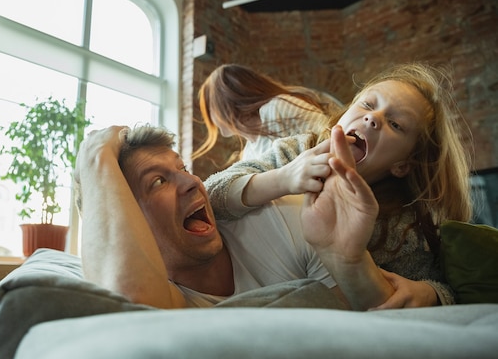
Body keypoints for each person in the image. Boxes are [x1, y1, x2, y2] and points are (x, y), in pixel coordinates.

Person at [204, 62, 473, 308]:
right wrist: (283, 177)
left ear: (402, 165)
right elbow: (212, 194)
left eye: (395, 124)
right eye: (367, 105)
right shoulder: (296, 150)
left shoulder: (401, 224)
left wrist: (430, 293)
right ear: (342, 117)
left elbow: (436, 287)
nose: (372, 118)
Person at [74, 124, 395, 311]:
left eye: (182, 169)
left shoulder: (282, 217)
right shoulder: (165, 295)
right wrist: (94, 156)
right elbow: (131, 307)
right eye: (158, 182)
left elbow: (366, 321)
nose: (192, 183)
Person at [193, 64, 342, 163]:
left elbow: (330, 137)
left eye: (211, 109)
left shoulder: (275, 108)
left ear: (226, 105)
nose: (211, 119)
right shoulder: (248, 153)